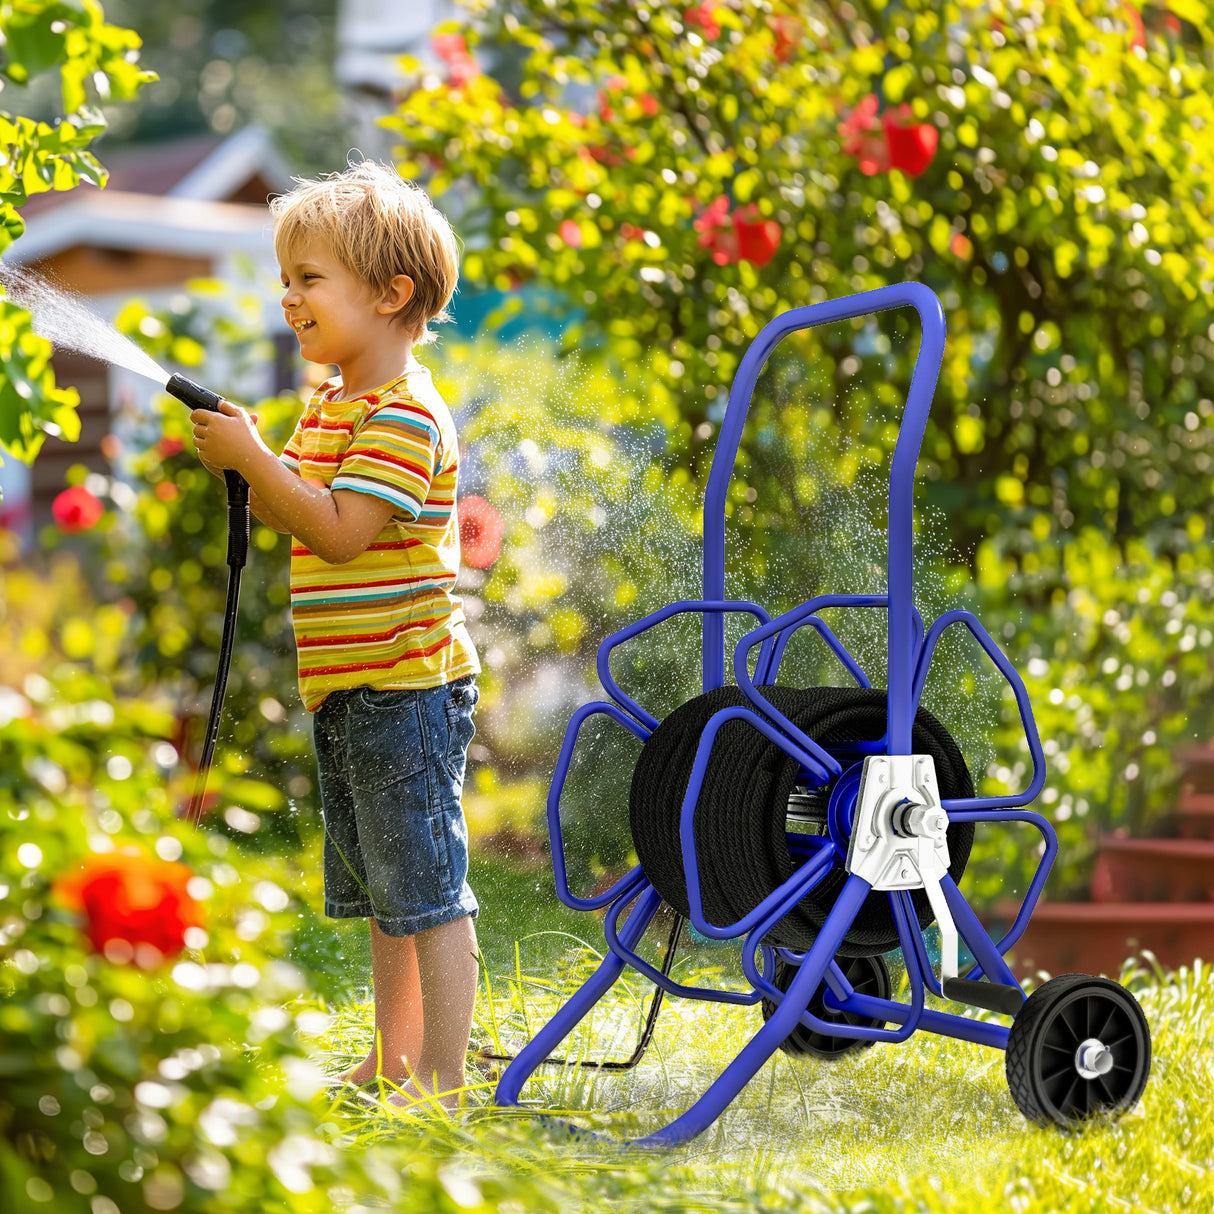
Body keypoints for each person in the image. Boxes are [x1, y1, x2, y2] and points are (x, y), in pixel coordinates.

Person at [189, 161, 481, 1112]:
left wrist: (256, 461)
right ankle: (391, 1056)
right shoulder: (332, 405)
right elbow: (297, 507)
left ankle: (444, 1072)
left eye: (309, 278)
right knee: (378, 884)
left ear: (391, 293)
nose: (290, 296)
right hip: (352, 686)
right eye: (288, 278)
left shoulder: (406, 414)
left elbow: (337, 530)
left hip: (406, 685)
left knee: (425, 886)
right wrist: (255, 457)